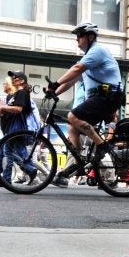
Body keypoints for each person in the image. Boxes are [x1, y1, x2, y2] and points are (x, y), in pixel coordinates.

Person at [45, 22, 122, 188]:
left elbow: (77, 67)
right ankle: (78, 163)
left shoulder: (97, 51)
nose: (77, 40)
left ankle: (103, 147)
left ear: (90, 37)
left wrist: (55, 83)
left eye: (79, 36)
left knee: (73, 116)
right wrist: (54, 92)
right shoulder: (89, 60)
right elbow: (73, 79)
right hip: (99, 98)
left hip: (108, 96)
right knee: (73, 127)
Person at [0, 70, 37, 184]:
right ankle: (9, 178)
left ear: (22, 81)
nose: (13, 79)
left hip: (17, 127)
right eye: (12, 78)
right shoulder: (17, 94)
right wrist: (1, 108)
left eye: (16, 78)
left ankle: (29, 170)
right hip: (13, 127)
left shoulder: (22, 92)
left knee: (13, 152)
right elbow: (9, 112)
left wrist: (2, 107)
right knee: (12, 153)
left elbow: (18, 109)